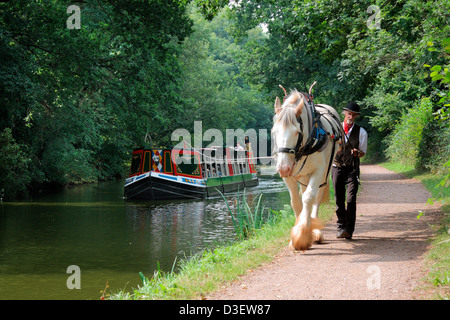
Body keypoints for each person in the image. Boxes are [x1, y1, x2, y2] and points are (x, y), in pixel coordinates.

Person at [332, 102, 368, 240]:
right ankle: (340, 225)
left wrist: (356, 153)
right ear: (345, 113)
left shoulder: (362, 132)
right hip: (337, 168)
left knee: (351, 199)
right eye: (349, 113)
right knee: (339, 200)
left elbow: (363, 153)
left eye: (353, 115)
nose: (350, 116)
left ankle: (349, 230)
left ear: (356, 116)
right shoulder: (335, 129)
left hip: (352, 169)